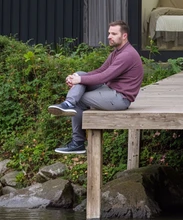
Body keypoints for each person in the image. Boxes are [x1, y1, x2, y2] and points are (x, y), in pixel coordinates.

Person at [51, 22, 143, 154]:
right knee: (82, 74)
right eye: (109, 33)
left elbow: (104, 77)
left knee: (80, 98)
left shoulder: (127, 55)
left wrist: (80, 80)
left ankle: (78, 143)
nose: (109, 36)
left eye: (113, 34)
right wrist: (76, 77)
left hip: (120, 98)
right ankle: (68, 103)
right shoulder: (116, 53)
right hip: (110, 92)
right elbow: (100, 70)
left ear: (124, 36)